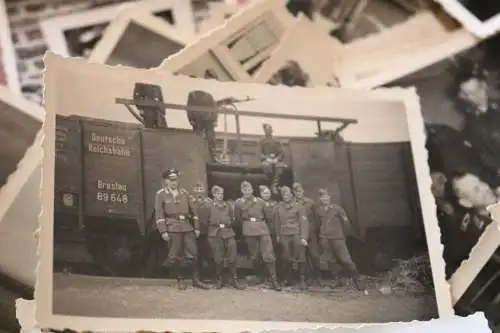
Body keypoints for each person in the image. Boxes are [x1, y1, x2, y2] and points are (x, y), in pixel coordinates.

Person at [154, 168, 210, 290]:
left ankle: (196, 279)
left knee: (193, 253)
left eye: (176, 180)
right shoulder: (161, 194)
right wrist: (163, 231)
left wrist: (196, 227)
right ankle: (180, 280)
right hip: (172, 227)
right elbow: (159, 214)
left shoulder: (184, 193)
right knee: (176, 255)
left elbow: (193, 211)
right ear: (166, 181)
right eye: (171, 180)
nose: (174, 182)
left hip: (186, 226)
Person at [234, 181, 281, 290]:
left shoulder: (260, 202)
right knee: (255, 255)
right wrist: (246, 227)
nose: (247, 192)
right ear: (242, 191)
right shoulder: (239, 203)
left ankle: (274, 280)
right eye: (245, 190)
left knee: (268, 254)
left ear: (252, 190)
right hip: (249, 229)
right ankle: (260, 277)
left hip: (262, 229)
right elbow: (238, 218)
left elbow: (267, 216)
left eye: (249, 189)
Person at [316, 188, 360, 289]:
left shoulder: (337, 209)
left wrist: (342, 235)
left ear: (329, 197)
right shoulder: (319, 211)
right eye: (321, 197)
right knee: (330, 261)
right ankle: (337, 279)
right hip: (326, 239)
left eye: (326, 196)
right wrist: (322, 237)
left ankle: (357, 278)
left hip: (337, 238)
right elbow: (319, 225)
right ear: (320, 199)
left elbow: (346, 223)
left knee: (346, 260)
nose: (324, 199)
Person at [207, 185, 245, 290]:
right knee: (218, 257)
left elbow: (234, 218)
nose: (221, 196)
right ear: (213, 194)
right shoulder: (209, 206)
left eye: (222, 193)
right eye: (218, 193)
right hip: (215, 233)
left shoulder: (228, 205)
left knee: (232, 255)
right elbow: (205, 220)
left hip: (228, 232)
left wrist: (228, 223)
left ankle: (234, 279)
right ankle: (219, 279)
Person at [275, 186, 309, 290]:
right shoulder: (279, 207)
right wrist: (278, 235)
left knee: (300, 257)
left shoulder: (299, 207)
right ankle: (288, 278)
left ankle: (302, 280)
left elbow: (304, 223)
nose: (286, 196)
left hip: (296, 234)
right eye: (284, 195)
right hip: (284, 234)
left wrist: (304, 237)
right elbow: (277, 222)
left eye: (288, 194)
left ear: (291, 195)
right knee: (286, 257)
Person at [293, 182, 323, 286]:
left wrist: (314, 230)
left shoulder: (310, 203)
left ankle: (318, 278)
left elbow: (316, 218)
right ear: (294, 192)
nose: (298, 193)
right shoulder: (292, 203)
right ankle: (303, 279)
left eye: (300, 191)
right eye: (296, 191)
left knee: (315, 256)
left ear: (303, 191)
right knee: (302, 258)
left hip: (311, 233)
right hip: (299, 234)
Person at [190, 182, 214, 282]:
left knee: (209, 254)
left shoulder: (210, 202)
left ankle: (212, 276)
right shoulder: (189, 201)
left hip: (207, 232)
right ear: (193, 191)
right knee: (196, 255)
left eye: (201, 189)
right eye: (197, 189)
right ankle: (197, 278)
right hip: (193, 232)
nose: (199, 191)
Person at [186, 90, 219, 161]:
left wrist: (191, 119)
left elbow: (214, 108)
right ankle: (208, 154)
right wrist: (191, 119)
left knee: (208, 136)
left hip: (206, 120)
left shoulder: (205, 96)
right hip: (200, 120)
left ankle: (212, 154)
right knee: (199, 136)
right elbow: (189, 108)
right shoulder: (193, 95)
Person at [257, 123, 287, 194]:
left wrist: (277, 159)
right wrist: (267, 159)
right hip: (266, 160)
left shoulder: (276, 140)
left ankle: (274, 185)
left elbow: (282, 153)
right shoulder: (261, 141)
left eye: (270, 130)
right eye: (267, 130)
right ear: (264, 131)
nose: (268, 131)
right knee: (267, 167)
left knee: (280, 167)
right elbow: (259, 153)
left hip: (276, 160)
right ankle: (271, 184)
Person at [259, 185, 281, 281]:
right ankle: (264, 276)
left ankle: (276, 276)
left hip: (274, 231)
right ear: (260, 194)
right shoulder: (258, 203)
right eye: (264, 193)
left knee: (275, 253)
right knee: (263, 254)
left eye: (268, 193)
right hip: (263, 231)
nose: (267, 195)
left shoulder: (275, 203)